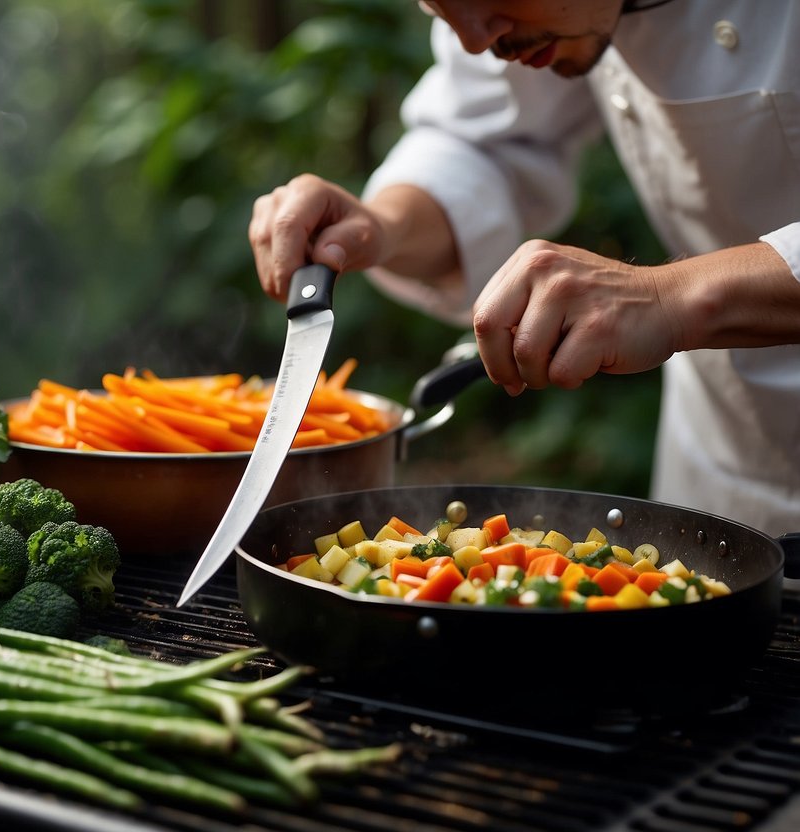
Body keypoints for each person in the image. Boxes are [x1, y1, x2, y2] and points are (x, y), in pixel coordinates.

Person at [248, 0, 800, 537]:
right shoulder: (515, 19)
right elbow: (485, 145)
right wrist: (382, 224)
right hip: (727, 471)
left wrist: (672, 297)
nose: (473, 40)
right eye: (438, 7)